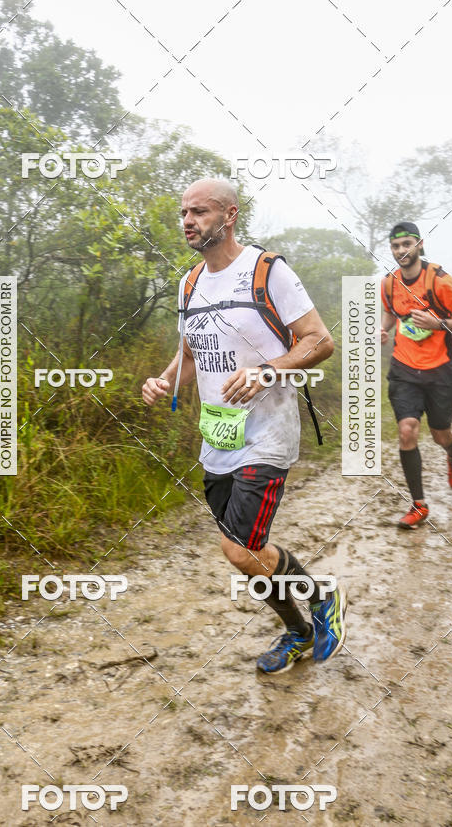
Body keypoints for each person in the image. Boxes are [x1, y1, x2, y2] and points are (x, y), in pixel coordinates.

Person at [142, 178, 346, 674]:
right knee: (250, 556)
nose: (188, 221)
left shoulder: (267, 271)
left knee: (239, 550)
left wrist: (266, 371)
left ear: (230, 215)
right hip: (219, 437)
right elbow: (190, 353)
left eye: (200, 212)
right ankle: (298, 632)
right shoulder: (189, 283)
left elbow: (319, 341)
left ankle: (321, 597)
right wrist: (165, 381)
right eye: (184, 212)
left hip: (267, 434)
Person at [380, 221, 452, 528]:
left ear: (419, 244)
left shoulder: (439, 279)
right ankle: (418, 505)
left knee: (439, 434)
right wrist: (383, 329)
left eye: (406, 244)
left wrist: (438, 324)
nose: (401, 250)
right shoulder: (389, 283)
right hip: (404, 368)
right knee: (407, 430)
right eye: (395, 246)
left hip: (440, 370)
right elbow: (390, 312)